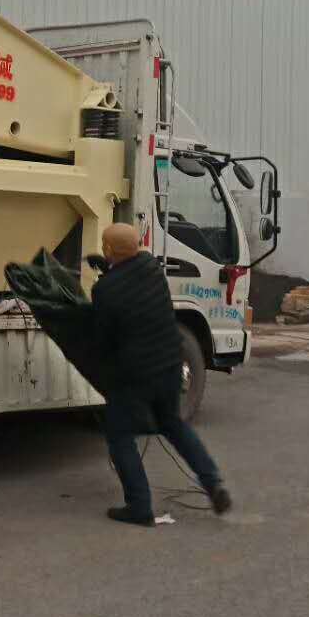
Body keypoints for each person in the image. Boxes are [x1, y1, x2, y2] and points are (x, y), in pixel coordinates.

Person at [90, 223, 233, 526]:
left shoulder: (104, 290)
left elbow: (102, 336)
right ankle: (213, 483)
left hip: (134, 374)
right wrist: (110, 269)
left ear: (109, 250)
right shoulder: (153, 270)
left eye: (105, 246)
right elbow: (132, 283)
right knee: (174, 426)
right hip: (169, 365)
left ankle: (139, 506)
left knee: (119, 435)